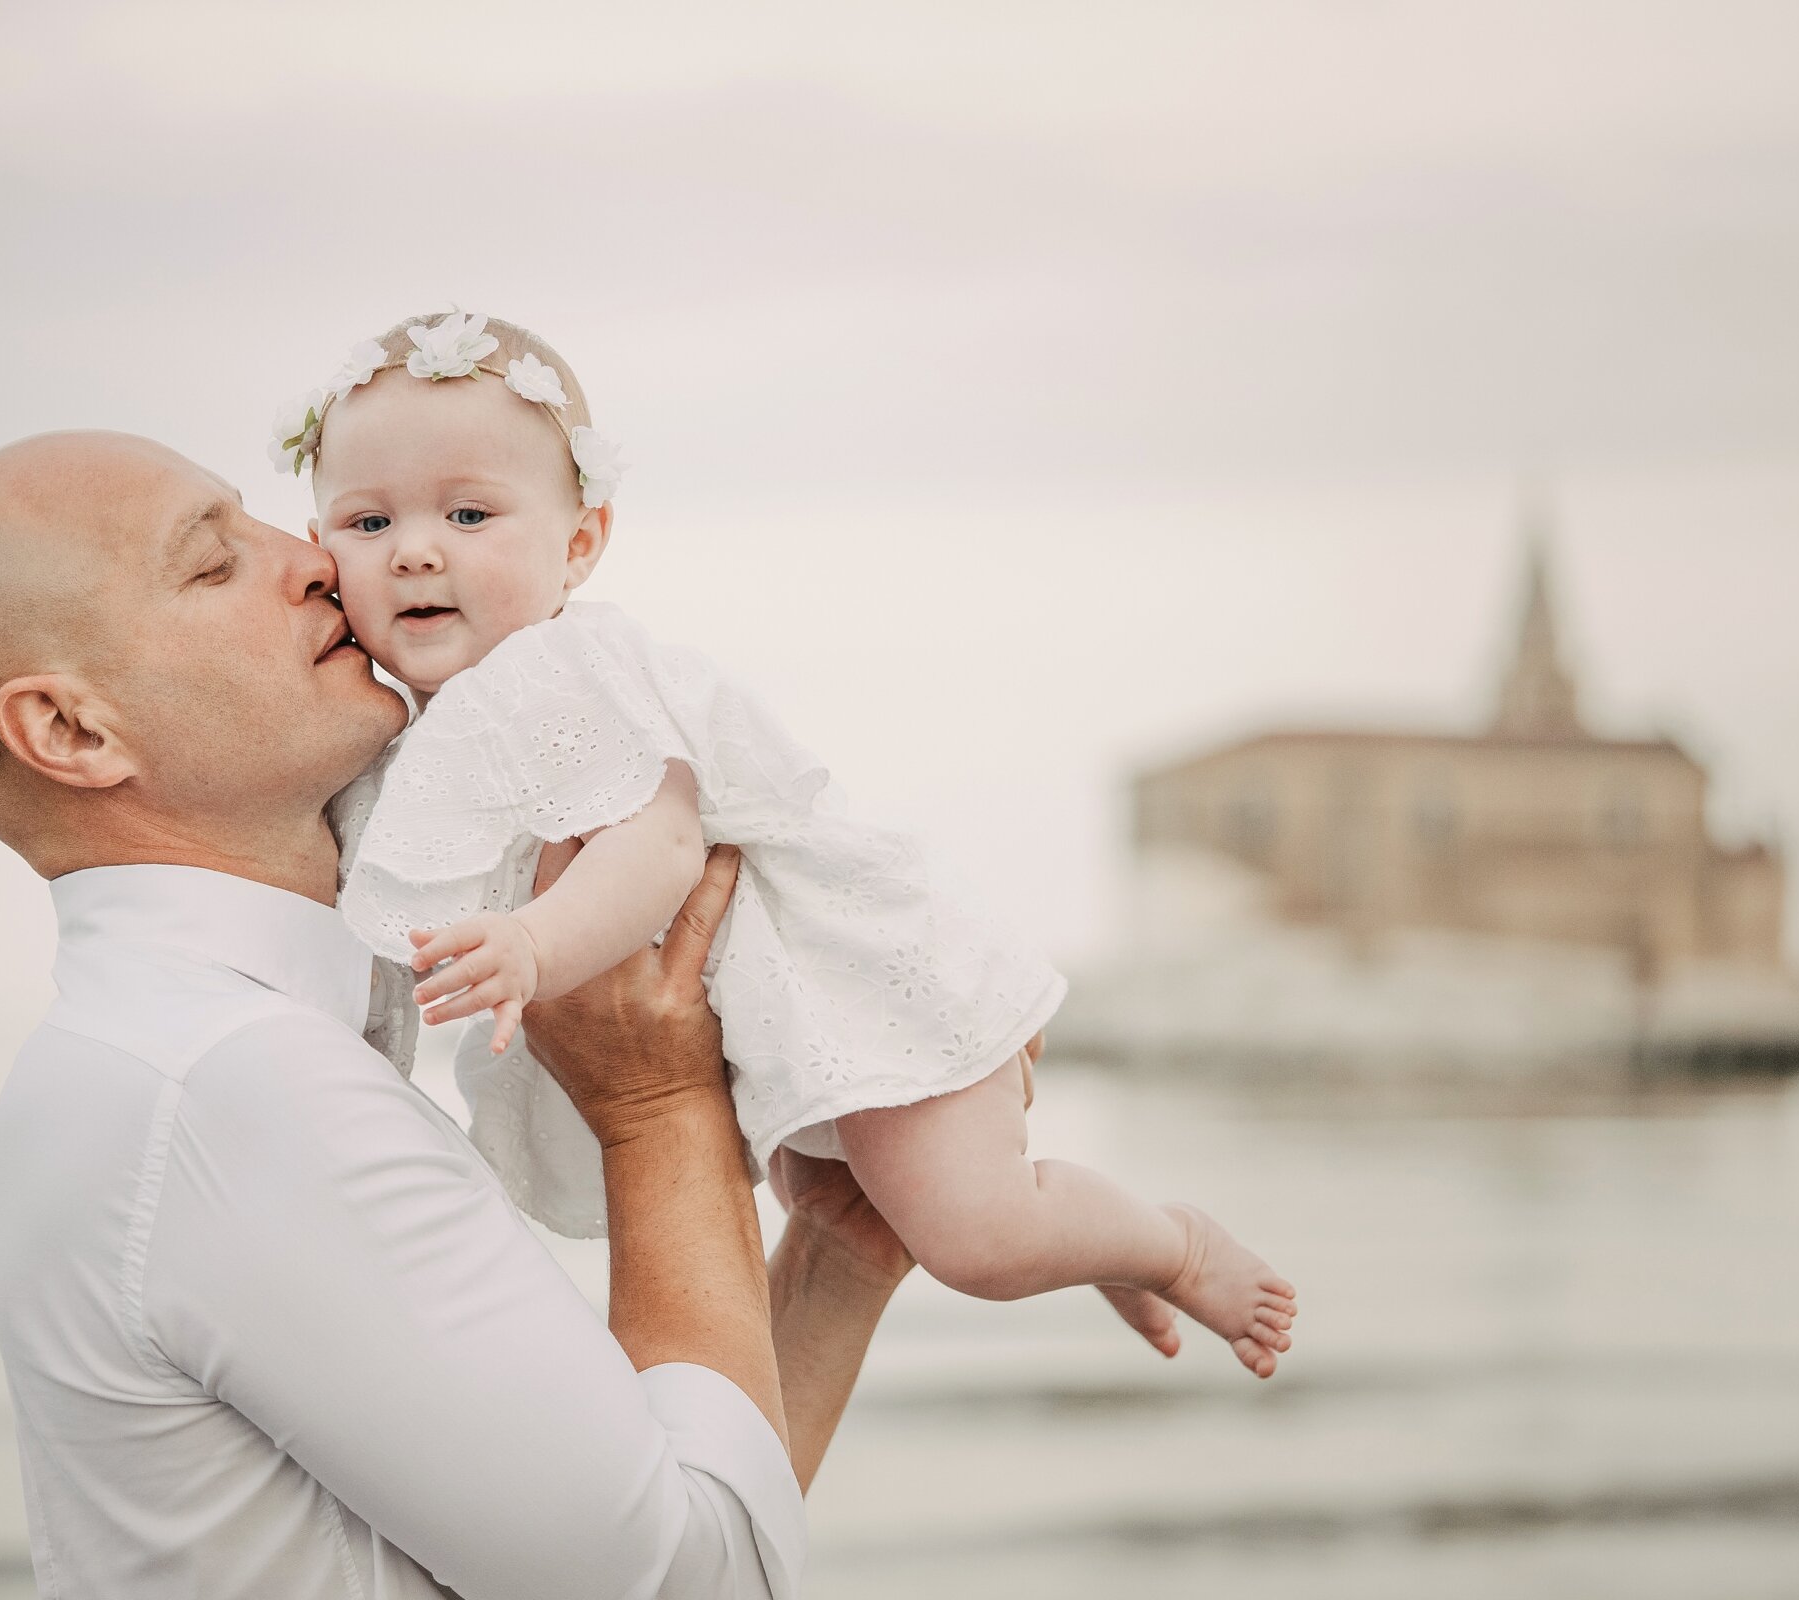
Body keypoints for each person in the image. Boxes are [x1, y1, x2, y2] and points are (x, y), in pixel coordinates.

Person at [0, 430, 911, 1597]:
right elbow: (686, 1585)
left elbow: (683, 1531)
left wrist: (836, 1256)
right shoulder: (230, 1086)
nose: (313, 558)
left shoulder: (152, 1057)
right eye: (213, 564)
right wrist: (659, 1107)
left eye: (272, 522)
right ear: (73, 731)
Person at [275, 310, 1298, 1376]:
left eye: (471, 512)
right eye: (368, 523)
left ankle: (1170, 1243)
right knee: (893, 1214)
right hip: (787, 1042)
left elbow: (660, 846)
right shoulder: (424, 735)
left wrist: (533, 943)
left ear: (580, 543)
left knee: (979, 1241)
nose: (417, 549)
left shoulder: (563, 673)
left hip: (860, 995)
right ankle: (1099, 1246)